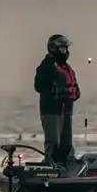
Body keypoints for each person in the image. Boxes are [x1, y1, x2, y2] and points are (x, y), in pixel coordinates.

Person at [33, 34, 81, 166]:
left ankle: (66, 161)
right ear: (53, 48)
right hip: (51, 109)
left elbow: (76, 90)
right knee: (53, 139)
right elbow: (38, 86)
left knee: (66, 139)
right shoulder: (47, 65)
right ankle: (51, 162)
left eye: (66, 48)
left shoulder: (67, 67)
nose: (65, 51)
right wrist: (53, 83)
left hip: (66, 108)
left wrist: (74, 91)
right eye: (62, 48)